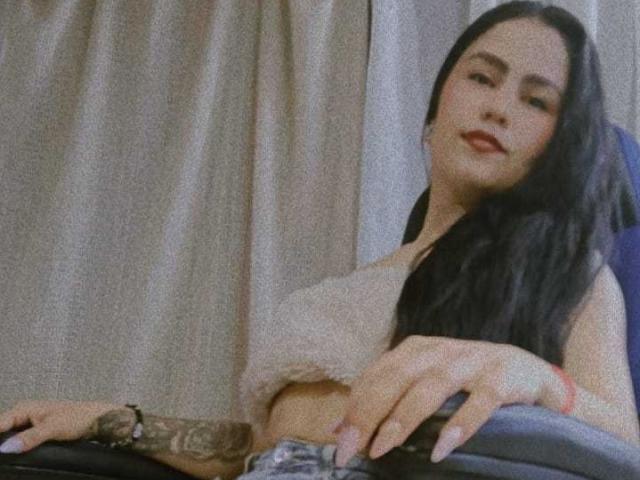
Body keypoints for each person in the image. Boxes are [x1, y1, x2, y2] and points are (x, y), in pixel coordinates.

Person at [0, 1, 638, 479]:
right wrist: (119, 422)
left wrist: (536, 378)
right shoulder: (349, 291)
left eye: (536, 101)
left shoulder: (564, 273)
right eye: (482, 78)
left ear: (557, 146)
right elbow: (268, 450)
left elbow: (622, 448)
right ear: (435, 107)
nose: (499, 107)